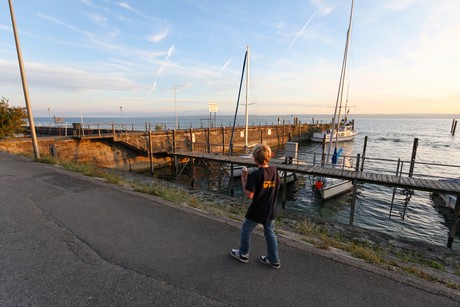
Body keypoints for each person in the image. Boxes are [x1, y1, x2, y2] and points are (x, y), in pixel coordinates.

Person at [230, 142, 281, 269]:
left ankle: (243, 253)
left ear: (254, 158)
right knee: (270, 233)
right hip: (271, 208)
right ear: (269, 156)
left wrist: (243, 179)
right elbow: (277, 186)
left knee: (246, 230)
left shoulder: (255, 175)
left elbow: (249, 195)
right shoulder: (275, 171)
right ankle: (273, 259)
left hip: (257, 209)